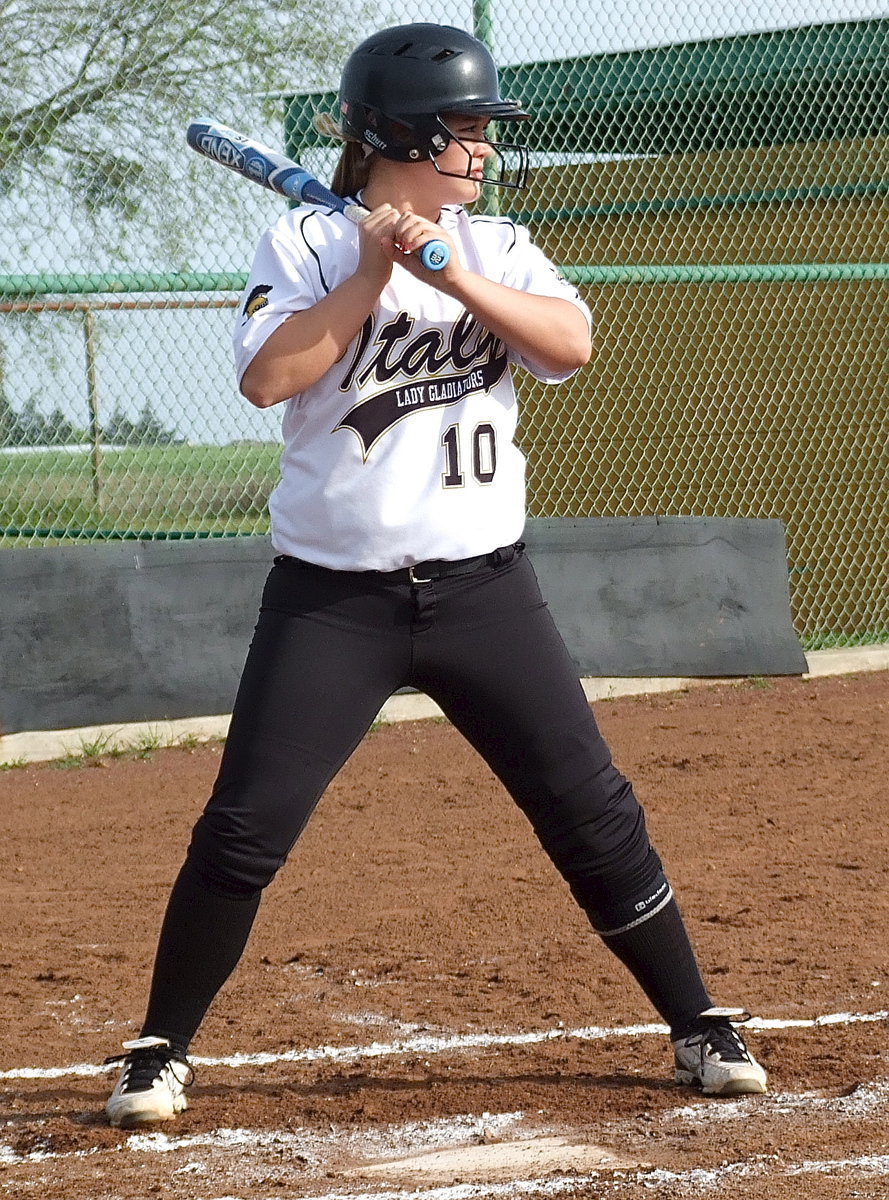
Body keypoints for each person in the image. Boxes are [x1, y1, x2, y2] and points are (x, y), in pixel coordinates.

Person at [105, 22, 767, 1128]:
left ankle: (698, 1020)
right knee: (244, 826)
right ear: (404, 135)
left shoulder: (497, 245)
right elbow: (272, 379)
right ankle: (159, 1048)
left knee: (591, 812)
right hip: (334, 599)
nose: (482, 152)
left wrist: (449, 270)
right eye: (463, 131)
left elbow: (567, 348)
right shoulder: (307, 244)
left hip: (482, 591)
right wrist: (371, 270)